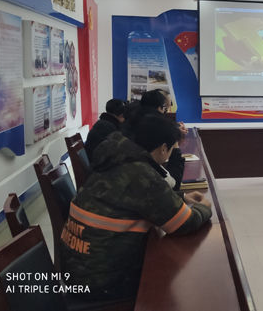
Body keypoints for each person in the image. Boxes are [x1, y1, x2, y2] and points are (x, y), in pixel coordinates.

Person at [60, 115, 213, 302]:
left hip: (76, 272)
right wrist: (204, 208)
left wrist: (181, 197)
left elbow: (131, 199)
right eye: (172, 149)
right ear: (163, 148)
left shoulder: (114, 159)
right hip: (103, 284)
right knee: (178, 282)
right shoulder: (140, 173)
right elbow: (183, 223)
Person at [123, 90, 185, 190]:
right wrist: (175, 149)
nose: (165, 111)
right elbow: (172, 186)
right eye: (165, 107)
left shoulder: (132, 122)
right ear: (163, 148)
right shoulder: (144, 172)